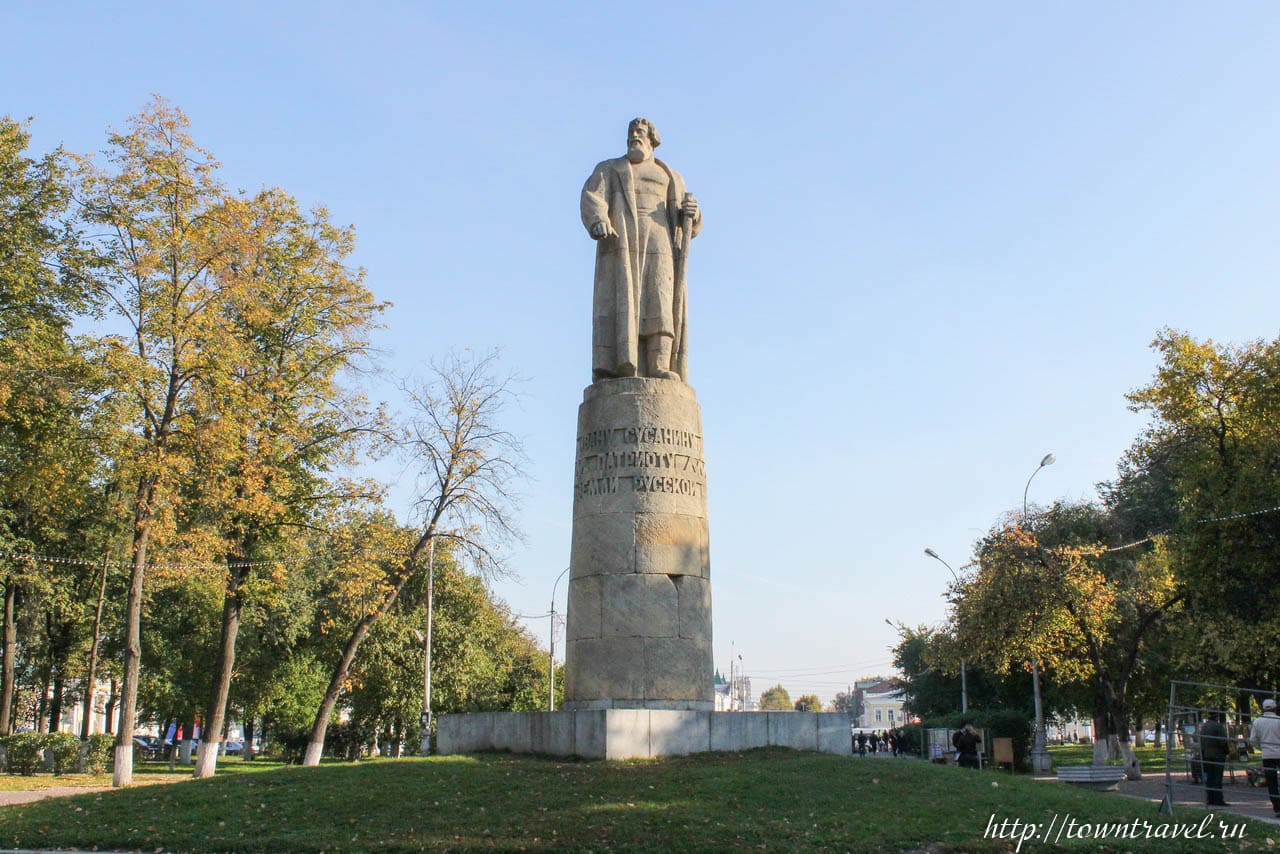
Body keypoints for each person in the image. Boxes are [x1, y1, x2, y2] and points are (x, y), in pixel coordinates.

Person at [582, 118, 702, 383]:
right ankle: (615, 365)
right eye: (631, 132)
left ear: (652, 139)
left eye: (640, 132)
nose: (634, 136)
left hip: (660, 241)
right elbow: (592, 196)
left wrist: (695, 214)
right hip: (622, 241)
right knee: (619, 304)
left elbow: (688, 218)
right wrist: (599, 219)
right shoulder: (610, 169)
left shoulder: (671, 175)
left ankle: (660, 364)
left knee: (660, 301)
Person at [1251, 697, 1280, 817]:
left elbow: (1253, 739)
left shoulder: (1258, 721)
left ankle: (1277, 807)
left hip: (1267, 755)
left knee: (1272, 782)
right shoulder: (1279, 720)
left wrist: (1261, 748)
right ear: (1275, 708)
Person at [1198, 713, 1229, 806]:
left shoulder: (1204, 727)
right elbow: (1223, 741)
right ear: (1217, 717)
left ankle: (1210, 798)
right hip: (1218, 755)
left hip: (1207, 755)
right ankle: (1218, 799)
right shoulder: (1218, 727)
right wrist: (1227, 752)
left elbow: (1201, 741)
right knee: (1218, 778)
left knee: (1210, 778)